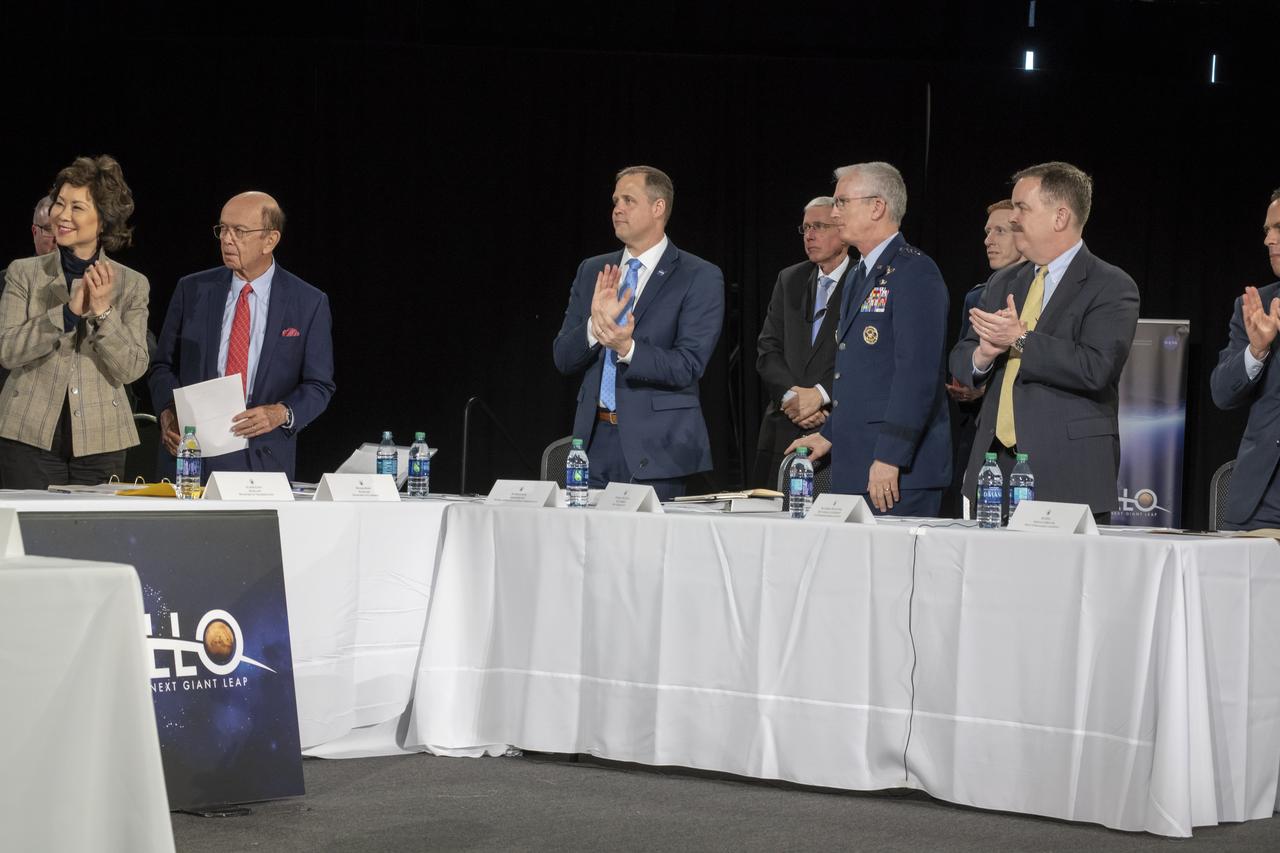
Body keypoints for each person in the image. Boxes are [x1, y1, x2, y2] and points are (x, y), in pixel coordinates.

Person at [949, 161, 1139, 521]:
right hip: (994, 471)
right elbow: (961, 356)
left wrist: (1019, 338)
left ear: (1060, 217)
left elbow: (1095, 368)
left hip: (1066, 474)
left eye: (1022, 207)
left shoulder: (1111, 286)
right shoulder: (1004, 282)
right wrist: (983, 355)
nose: (1014, 218)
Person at [787, 162, 951, 516]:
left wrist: (890, 456)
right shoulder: (861, 271)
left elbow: (916, 377)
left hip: (897, 471)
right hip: (855, 461)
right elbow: (858, 374)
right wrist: (830, 433)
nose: (834, 212)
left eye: (842, 202)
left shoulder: (914, 271)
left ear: (877, 207)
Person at [552, 166, 724, 500]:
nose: (617, 208)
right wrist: (594, 327)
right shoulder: (593, 271)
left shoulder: (698, 275)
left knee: (644, 552)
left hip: (658, 450)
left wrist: (627, 347)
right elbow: (562, 357)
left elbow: (688, 365)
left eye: (629, 200)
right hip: (593, 444)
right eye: (616, 200)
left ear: (658, 208)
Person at [148, 191, 335, 482]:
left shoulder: (308, 302)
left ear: (270, 240)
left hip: (263, 457)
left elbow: (319, 385)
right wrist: (168, 410)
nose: (226, 239)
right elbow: (161, 366)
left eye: (239, 231)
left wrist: (281, 412)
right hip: (192, 454)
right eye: (222, 229)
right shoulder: (192, 290)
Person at [0, 155, 149, 488]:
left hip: (102, 440)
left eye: (77, 208)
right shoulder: (24, 273)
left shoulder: (131, 285)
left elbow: (132, 368)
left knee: (93, 539)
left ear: (104, 220)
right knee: (29, 538)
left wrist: (103, 312)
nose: (62, 216)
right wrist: (65, 313)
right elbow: (7, 350)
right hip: (28, 436)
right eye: (59, 204)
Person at [753, 196, 852, 487]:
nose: (809, 235)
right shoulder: (790, 279)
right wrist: (791, 399)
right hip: (783, 428)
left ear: (843, 233)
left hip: (834, 427)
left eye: (819, 226)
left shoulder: (864, 281)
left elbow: (864, 359)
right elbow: (767, 350)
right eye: (806, 228)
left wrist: (820, 396)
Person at [942, 199, 1027, 516]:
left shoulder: (1048, 291)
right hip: (980, 432)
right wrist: (972, 377)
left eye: (1000, 231)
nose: (988, 240)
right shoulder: (978, 296)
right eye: (987, 231)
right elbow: (966, 356)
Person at [1210, 188, 1280, 530]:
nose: (1269, 239)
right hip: (1262, 505)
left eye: (1279, 227)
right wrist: (1257, 350)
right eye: (1267, 230)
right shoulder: (1254, 306)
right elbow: (1222, 394)